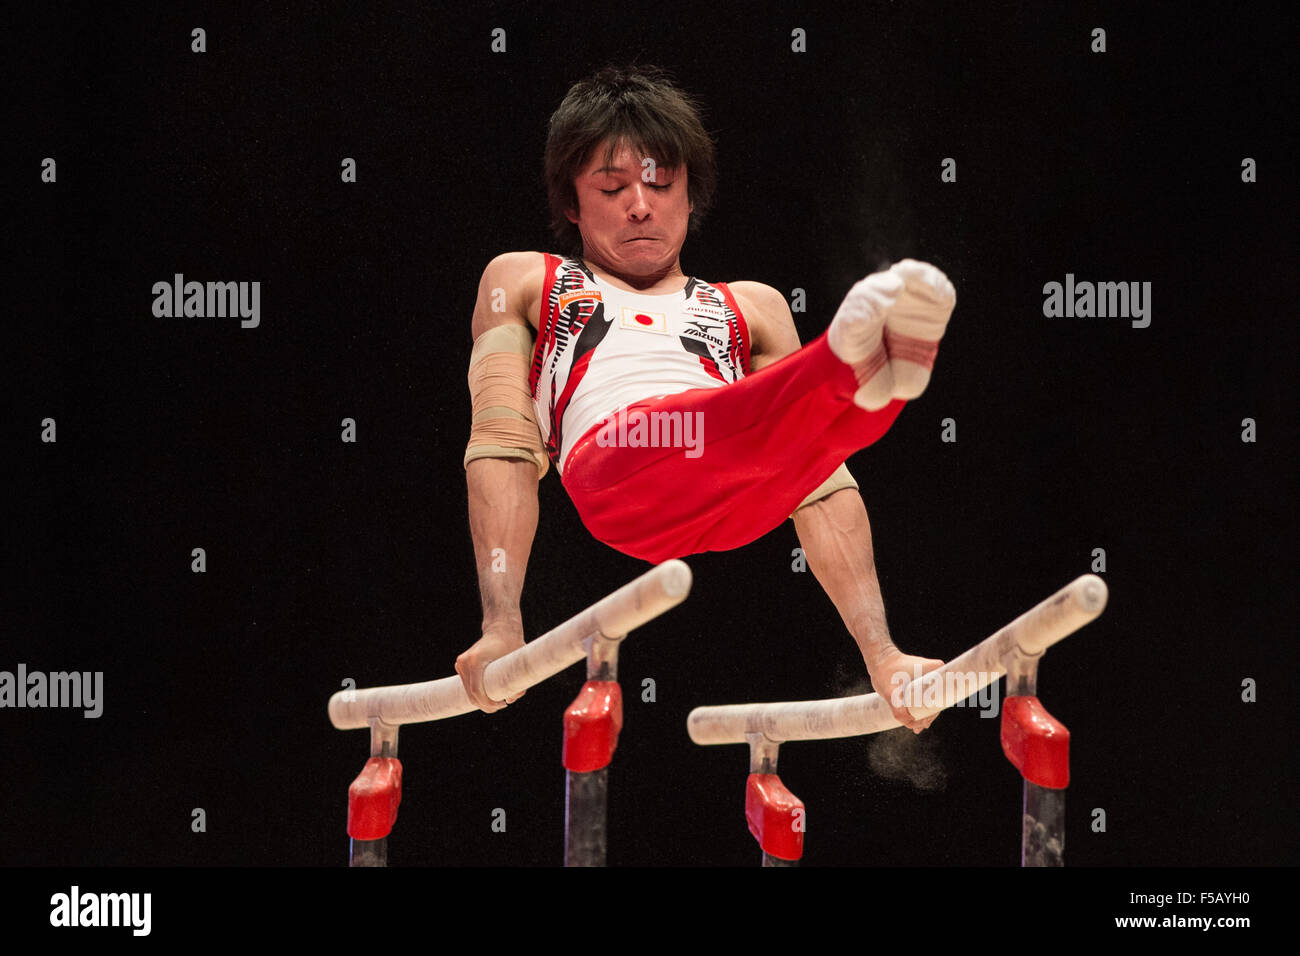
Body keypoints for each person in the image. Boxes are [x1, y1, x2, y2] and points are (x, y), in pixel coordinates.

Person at [456, 65, 956, 732]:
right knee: (747, 421)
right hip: (621, 474)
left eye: (662, 183)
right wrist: (501, 624)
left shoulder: (751, 306)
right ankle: (855, 369)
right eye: (612, 187)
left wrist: (884, 657)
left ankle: (872, 376)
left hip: (740, 498)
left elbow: (823, 485)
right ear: (572, 204)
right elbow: (502, 442)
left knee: (815, 444)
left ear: (692, 197)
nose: (641, 204)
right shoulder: (524, 280)